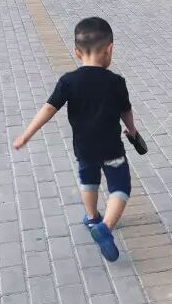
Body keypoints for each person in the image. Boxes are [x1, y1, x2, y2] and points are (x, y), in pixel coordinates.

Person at [13, 17, 138, 262]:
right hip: (112, 149)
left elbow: (48, 109)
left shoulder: (68, 81)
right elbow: (126, 110)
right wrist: (132, 130)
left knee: (88, 181)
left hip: (84, 149)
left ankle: (92, 219)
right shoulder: (116, 82)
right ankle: (106, 227)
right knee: (120, 187)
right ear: (110, 49)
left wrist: (26, 134)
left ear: (76, 52)